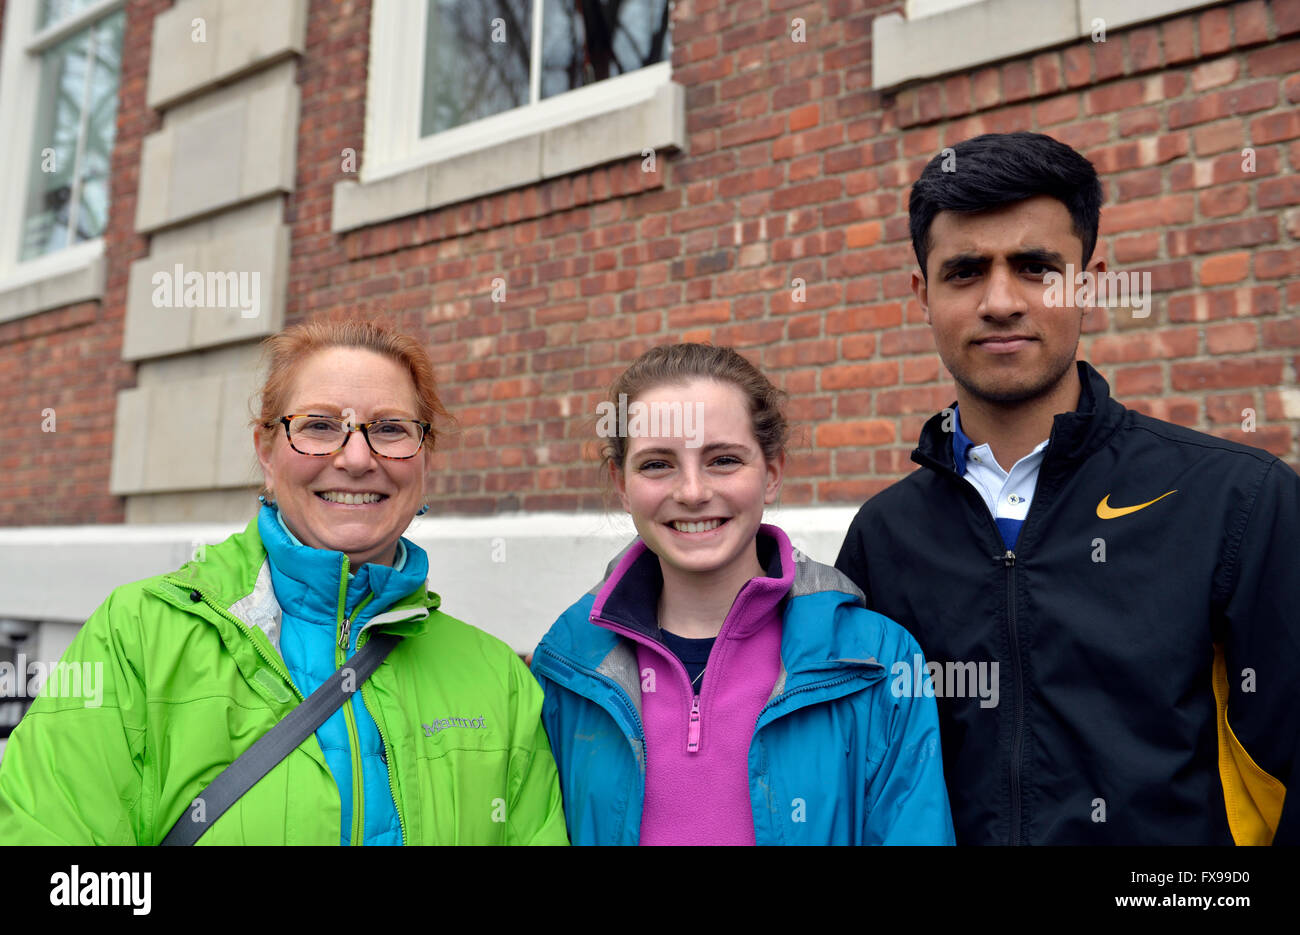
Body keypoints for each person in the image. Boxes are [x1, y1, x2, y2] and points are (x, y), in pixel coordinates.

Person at [834, 131, 1300, 845]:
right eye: (965, 271)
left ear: (1090, 280)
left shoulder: (1239, 500)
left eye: (1034, 267)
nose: (1000, 301)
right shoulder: (881, 537)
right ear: (922, 295)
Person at [0, 316, 567, 845]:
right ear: (266, 451)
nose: (356, 457)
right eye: (320, 426)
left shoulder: (499, 679)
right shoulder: (137, 637)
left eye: (389, 429)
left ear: (424, 458)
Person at [531, 343, 955, 845]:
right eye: (656, 465)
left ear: (771, 472)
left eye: (724, 460)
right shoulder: (568, 664)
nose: (692, 492)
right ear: (620, 484)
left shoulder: (876, 661)